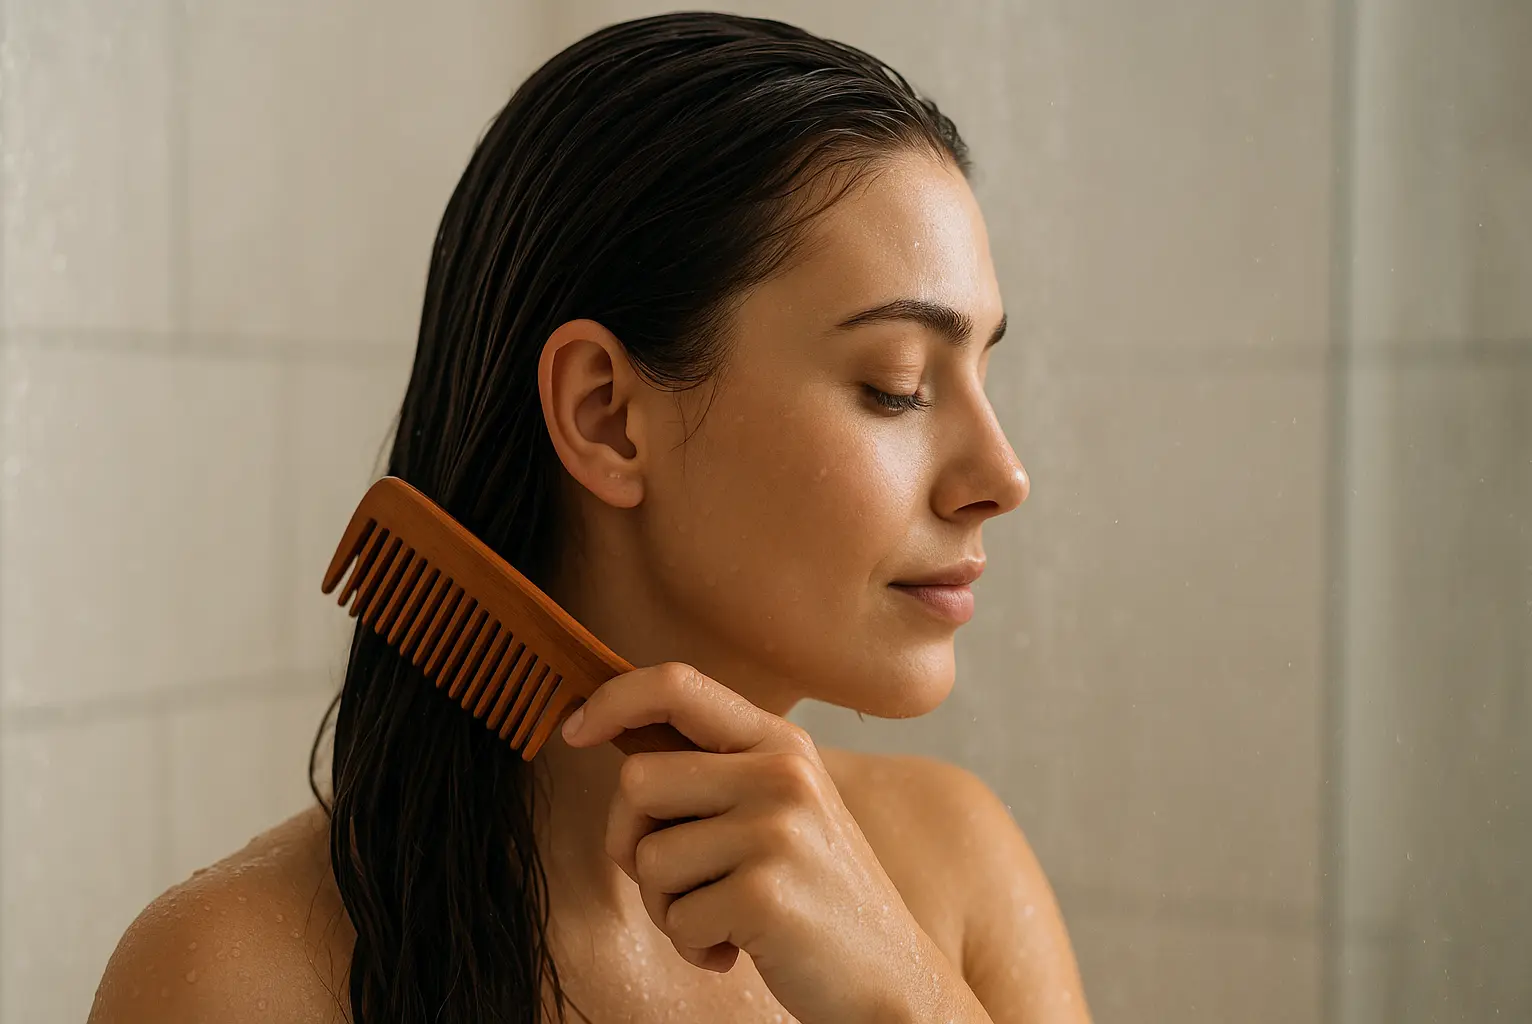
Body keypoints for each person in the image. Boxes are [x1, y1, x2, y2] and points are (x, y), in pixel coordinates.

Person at [89, 11, 1089, 1023]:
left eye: (985, 373)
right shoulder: (237, 978)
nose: (1002, 474)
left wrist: (905, 998)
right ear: (606, 415)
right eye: (898, 384)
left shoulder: (955, 870)